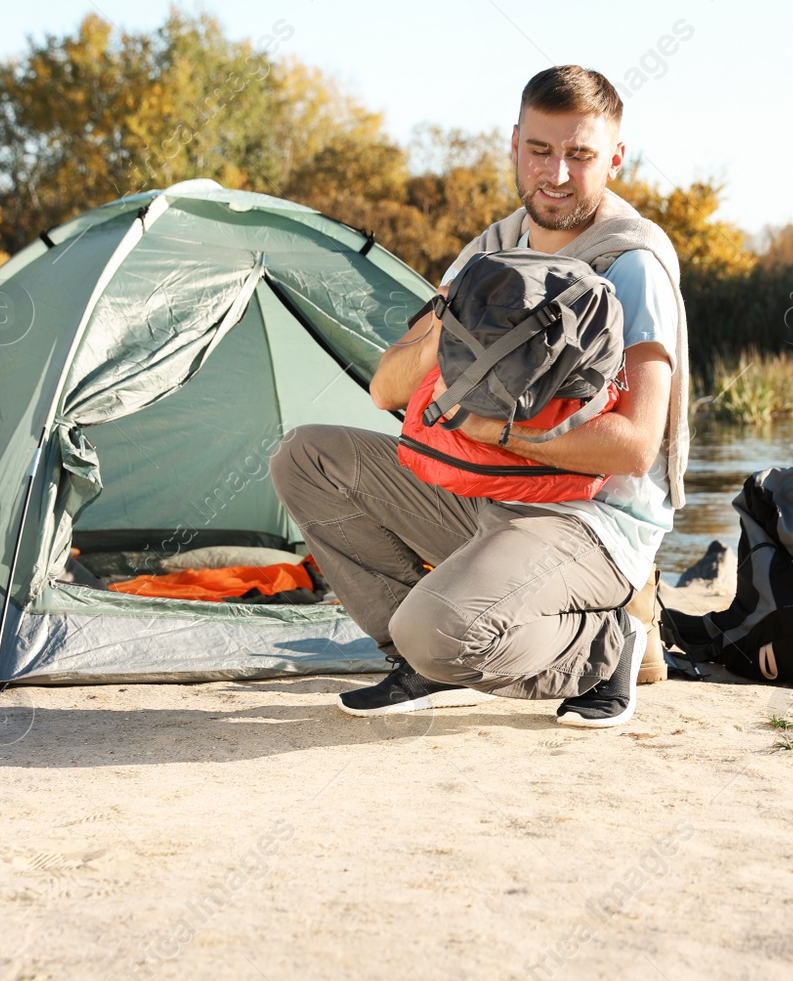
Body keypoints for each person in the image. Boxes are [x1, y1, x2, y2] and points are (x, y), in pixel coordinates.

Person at [269, 65, 689, 728]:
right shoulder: (489, 253)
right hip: (483, 490)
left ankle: (607, 646)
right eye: (541, 150)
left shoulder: (631, 265)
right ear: (515, 143)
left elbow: (636, 447)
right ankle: (425, 664)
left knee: (438, 629)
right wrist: (460, 321)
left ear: (614, 157)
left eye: (579, 155)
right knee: (305, 457)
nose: (555, 174)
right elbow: (386, 385)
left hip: (591, 521)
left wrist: (503, 435)